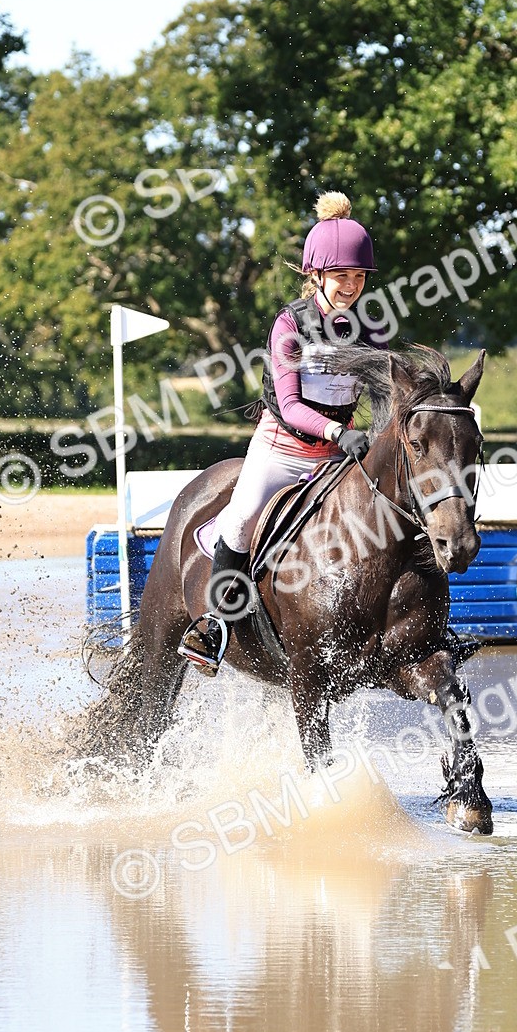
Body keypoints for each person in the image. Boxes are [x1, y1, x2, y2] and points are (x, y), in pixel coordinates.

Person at [178, 192, 379, 675]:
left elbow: (385, 393)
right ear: (316, 275)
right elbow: (288, 404)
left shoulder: (371, 329)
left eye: (358, 276)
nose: (351, 286)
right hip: (283, 450)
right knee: (243, 516)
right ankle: (216, 625)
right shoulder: (290, 324)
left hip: (337, 459)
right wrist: (337, 430)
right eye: (340, 276)